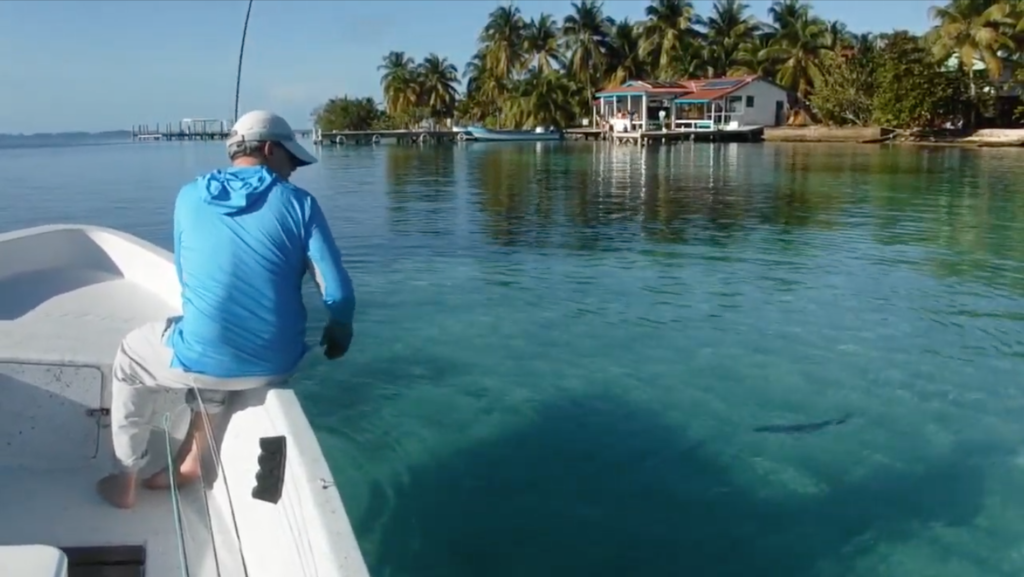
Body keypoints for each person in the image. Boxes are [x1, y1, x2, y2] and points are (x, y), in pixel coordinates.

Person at [97, 110, 356, 509]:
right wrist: (340, 328)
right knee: (207, 350)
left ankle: (125, 476)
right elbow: (336, 289)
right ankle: (190, 464)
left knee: (131, 357)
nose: (293, 172)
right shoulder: (301, 204)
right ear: (270, 149)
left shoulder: (187, 196)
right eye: (292, 160)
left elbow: (188, 278)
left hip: (205, 356)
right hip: (278, 361)